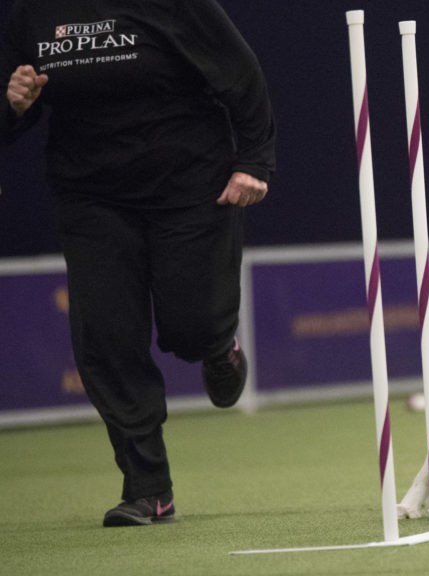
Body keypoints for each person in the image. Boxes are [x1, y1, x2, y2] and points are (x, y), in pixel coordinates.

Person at [1, 0, 276, 527]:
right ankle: (149, 488)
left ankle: (217, 345)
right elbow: (11, 104)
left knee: (190, 325)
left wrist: (253, 161)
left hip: (189, 182)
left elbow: (241, 76)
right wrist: (15, 103)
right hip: (91, 194)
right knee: (105, 338)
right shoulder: (32, 13)